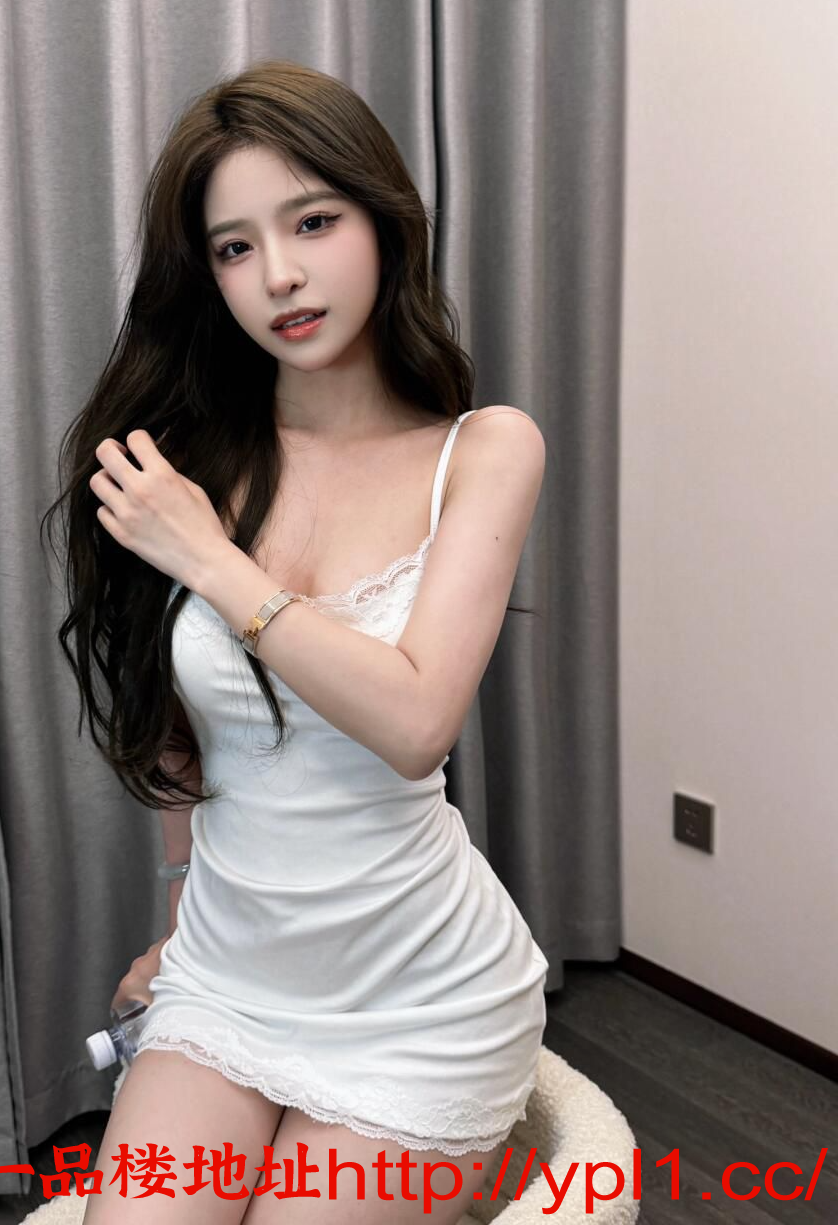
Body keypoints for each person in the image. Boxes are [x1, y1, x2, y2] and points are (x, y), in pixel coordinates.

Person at [41, 59, 549, 1223]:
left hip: (423, 1006)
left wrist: (214, 563)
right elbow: (184, 737)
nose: (279, 274)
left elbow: (416, 724)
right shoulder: (190, 463)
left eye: (313, 222)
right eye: (235, 247)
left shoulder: (482, 451)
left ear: (382, 221)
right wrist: (179, 923)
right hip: (229, 983)